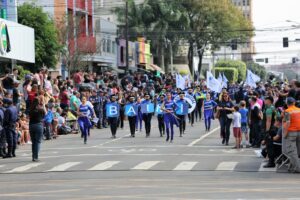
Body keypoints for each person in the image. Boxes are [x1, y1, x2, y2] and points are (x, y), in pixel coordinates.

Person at [283, 97, 300, 173]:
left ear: (287, 103)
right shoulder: (299, 110)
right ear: (294, 103)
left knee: (292, 151)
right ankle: (292, 166)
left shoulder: (287, 111)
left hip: (291, 132)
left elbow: (288, 122)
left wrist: (285, 133)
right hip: (299, 131)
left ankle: (297, 168)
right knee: (297, 151)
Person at [29, 98, 46, 162]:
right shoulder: (40, 109)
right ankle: (35, 157)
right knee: (38, 142)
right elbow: (45, 114)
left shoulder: (31, 109)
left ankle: (33, 156)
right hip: (38, 125)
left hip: (31, 125)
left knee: (33, 142)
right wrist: (43, 105)